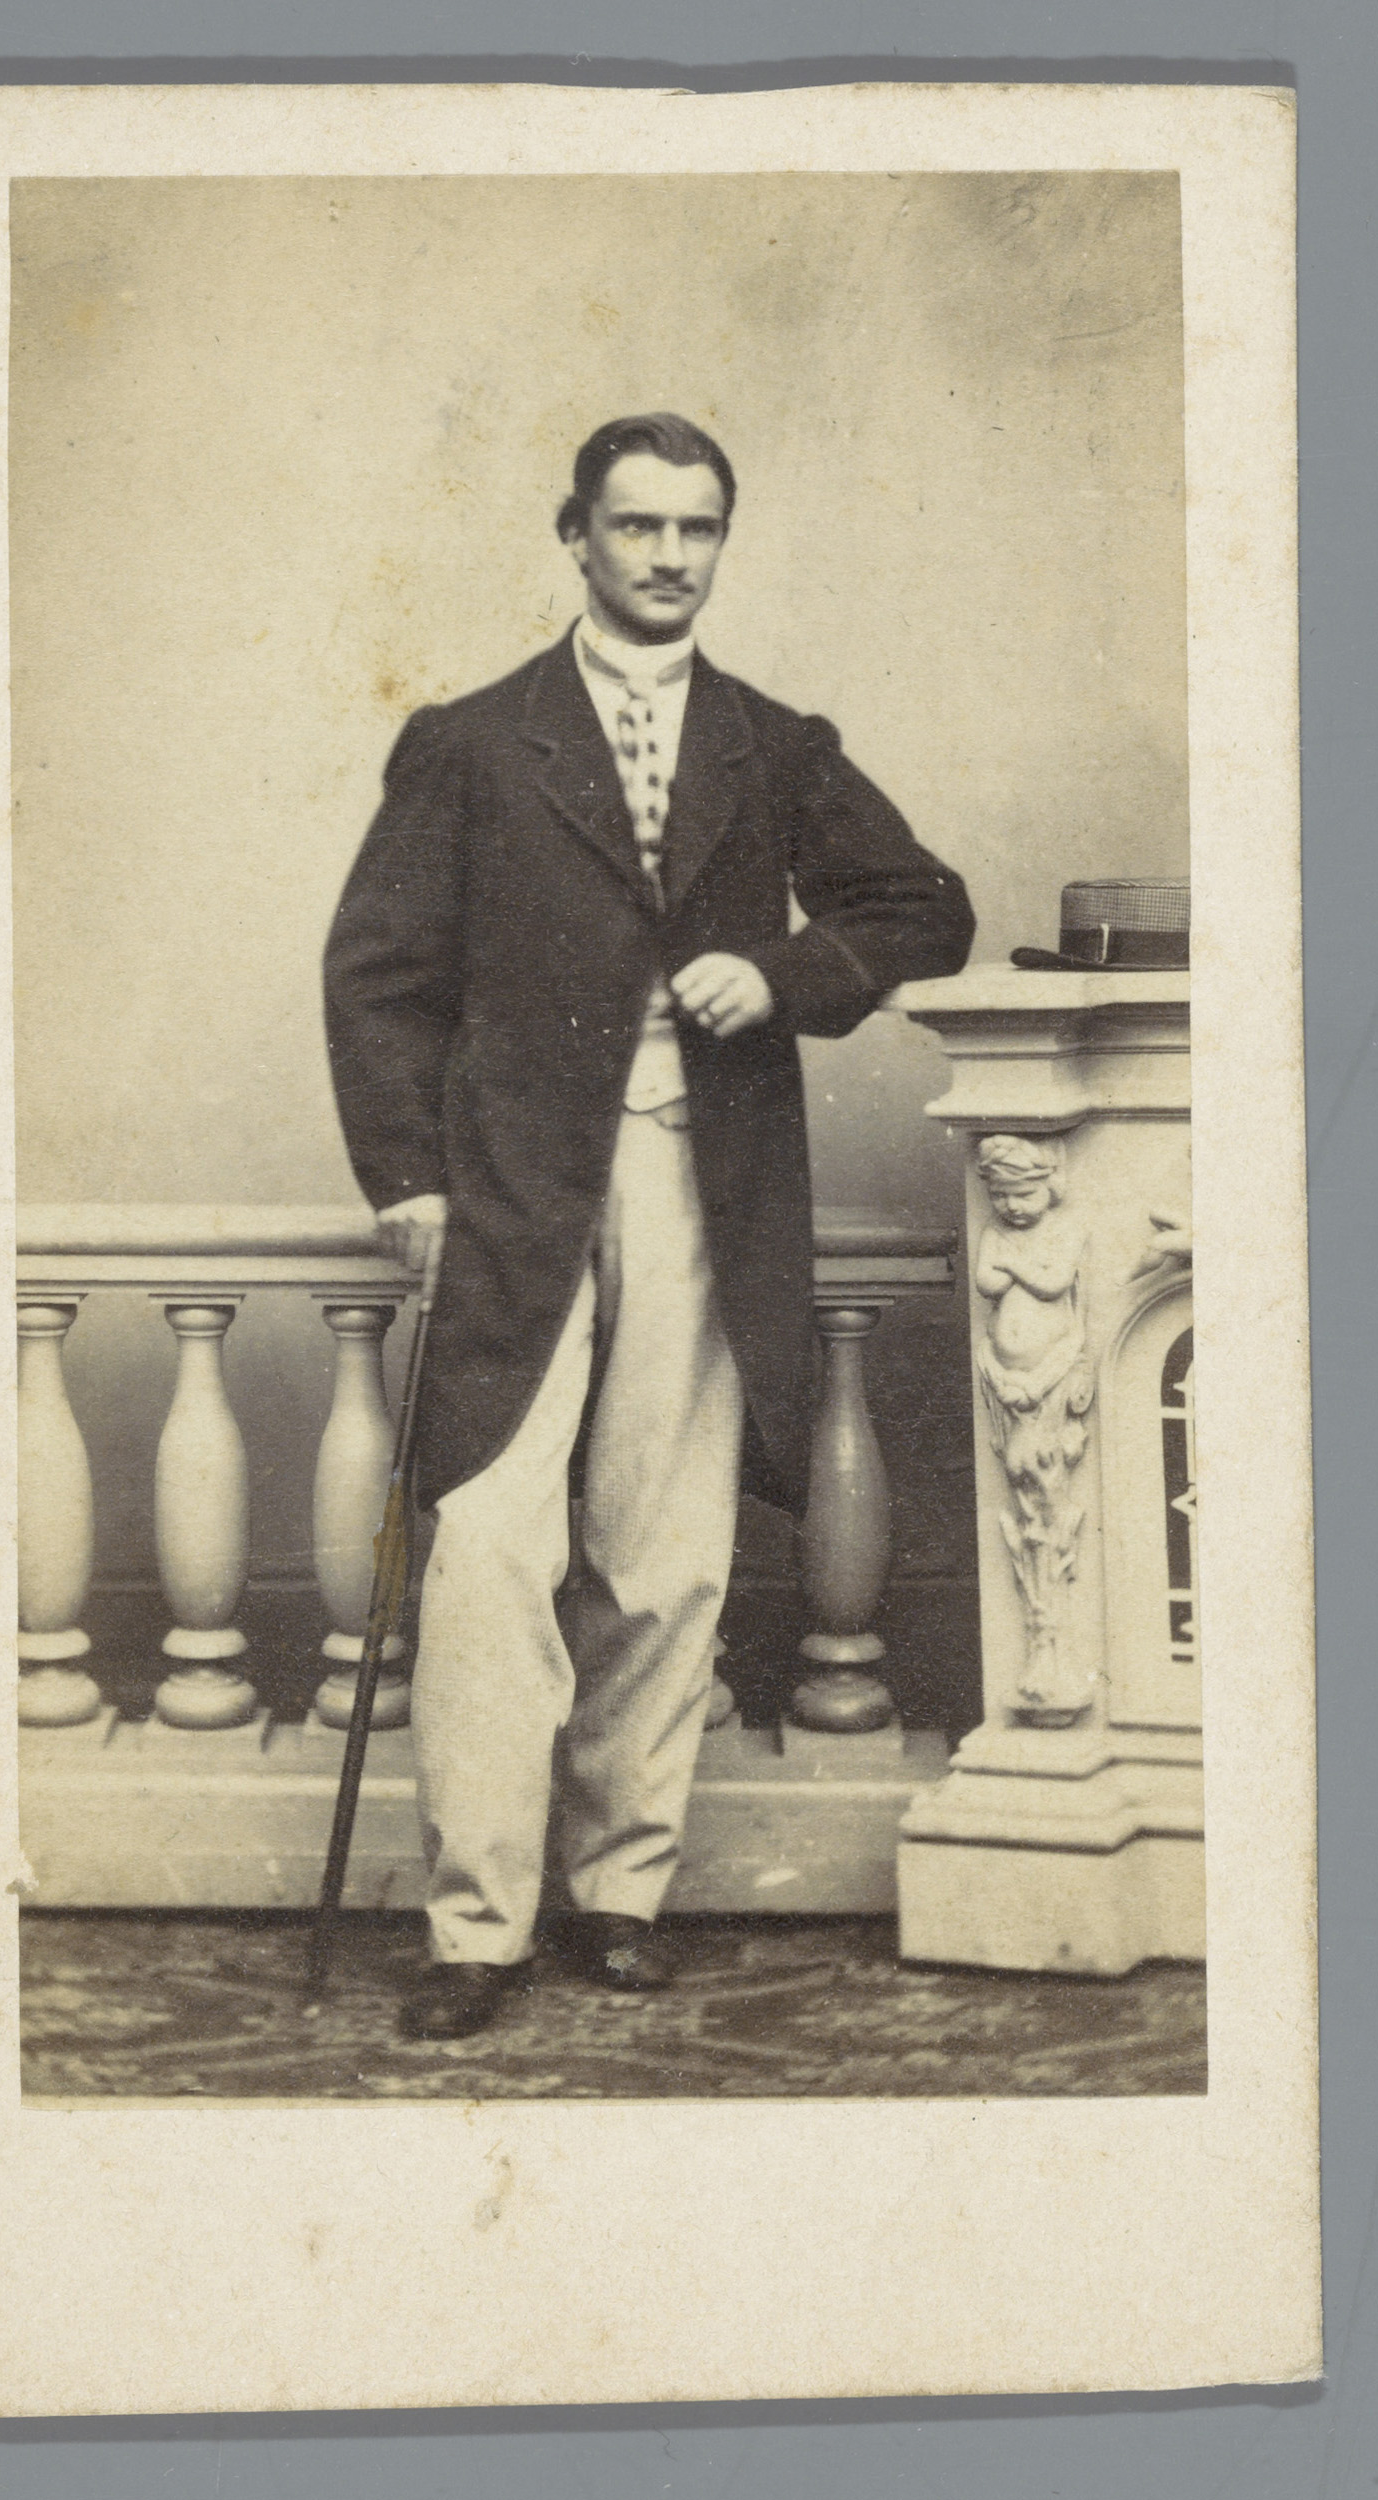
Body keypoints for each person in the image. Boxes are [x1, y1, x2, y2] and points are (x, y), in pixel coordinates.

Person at [323, 412, 975, 2039]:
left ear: (719, 542)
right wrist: (407, 1182)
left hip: (706, 1182)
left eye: (698, 528)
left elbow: (924, 905)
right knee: (489, 1554)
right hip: (510, 1195)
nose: (670, 556)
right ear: (577, 537)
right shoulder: (473, 742)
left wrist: (790, 972)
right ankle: (476, 1931)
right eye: (638, 526)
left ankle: (619, 1898)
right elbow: (378, 977)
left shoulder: (772, 742)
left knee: (666, 1557)